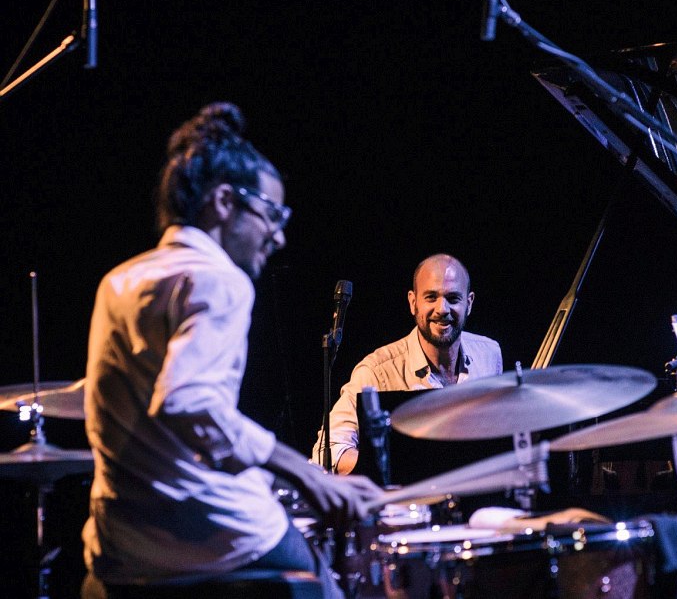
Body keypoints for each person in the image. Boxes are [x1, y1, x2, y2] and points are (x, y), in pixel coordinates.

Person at [81, 103, 382, 599]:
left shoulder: (121, 280)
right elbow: (188, 403)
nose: (279, 236)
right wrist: (306, 474)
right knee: (330, 583)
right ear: (224, 202)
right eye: (271, 214)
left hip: (121, 545)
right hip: (210, 535)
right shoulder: (221, 280)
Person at [313, 253, 503, 475]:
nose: (442, 309)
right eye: (431, 297)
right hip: (409, 503)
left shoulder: (490, 354)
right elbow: (327, 451)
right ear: (413, 303)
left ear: (469, 303)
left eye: (453, 298)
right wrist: (388, 466)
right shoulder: (376, 371)